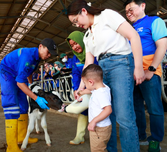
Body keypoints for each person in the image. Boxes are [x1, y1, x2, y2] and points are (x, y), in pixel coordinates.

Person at [67, 0, 145, 152]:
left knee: (124, 115)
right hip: (101, 69)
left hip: (120, 63)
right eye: (74, 24)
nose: (77, 25)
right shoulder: (87, 36)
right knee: (106, 115)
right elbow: (88, 63)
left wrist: (138, 67)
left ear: (84, 11)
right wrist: (81, 87)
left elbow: (133, 36)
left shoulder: (107, 15)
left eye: (76, 21)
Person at [0, 38, 57, 152]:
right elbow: (20, 82)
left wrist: (31, 85)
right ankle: (11, 147)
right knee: (12, 106)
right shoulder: (28, 56)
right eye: (48, 52)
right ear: (41, 47)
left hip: (19, 76)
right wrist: (36, 97)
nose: (49, 55)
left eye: (51, 53)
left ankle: (22, 137)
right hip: (7, 73)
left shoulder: (37, 58)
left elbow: (29, 72)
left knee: (24, 106)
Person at [124, 1, 167, 151]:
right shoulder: (128, 28)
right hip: (132, 74)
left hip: (149, 72)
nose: (128, 13)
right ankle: (141, 135)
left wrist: (152, 69)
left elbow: (162, 45)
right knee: (136, 107)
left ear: (142, 6)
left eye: (131, 9)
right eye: (126, 11)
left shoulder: (154, 21)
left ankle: (155, 140)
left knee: (154, 107)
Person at [82, 64, 112, 152]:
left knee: (97, 150)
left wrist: (93, 121)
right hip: (100, 127)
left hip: (99, 128)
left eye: (85, 83)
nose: (85, 86)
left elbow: (108, 109)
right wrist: (81, 93)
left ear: (91, 82)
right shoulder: (102, 88)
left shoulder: (101, 93)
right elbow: (90, 89)